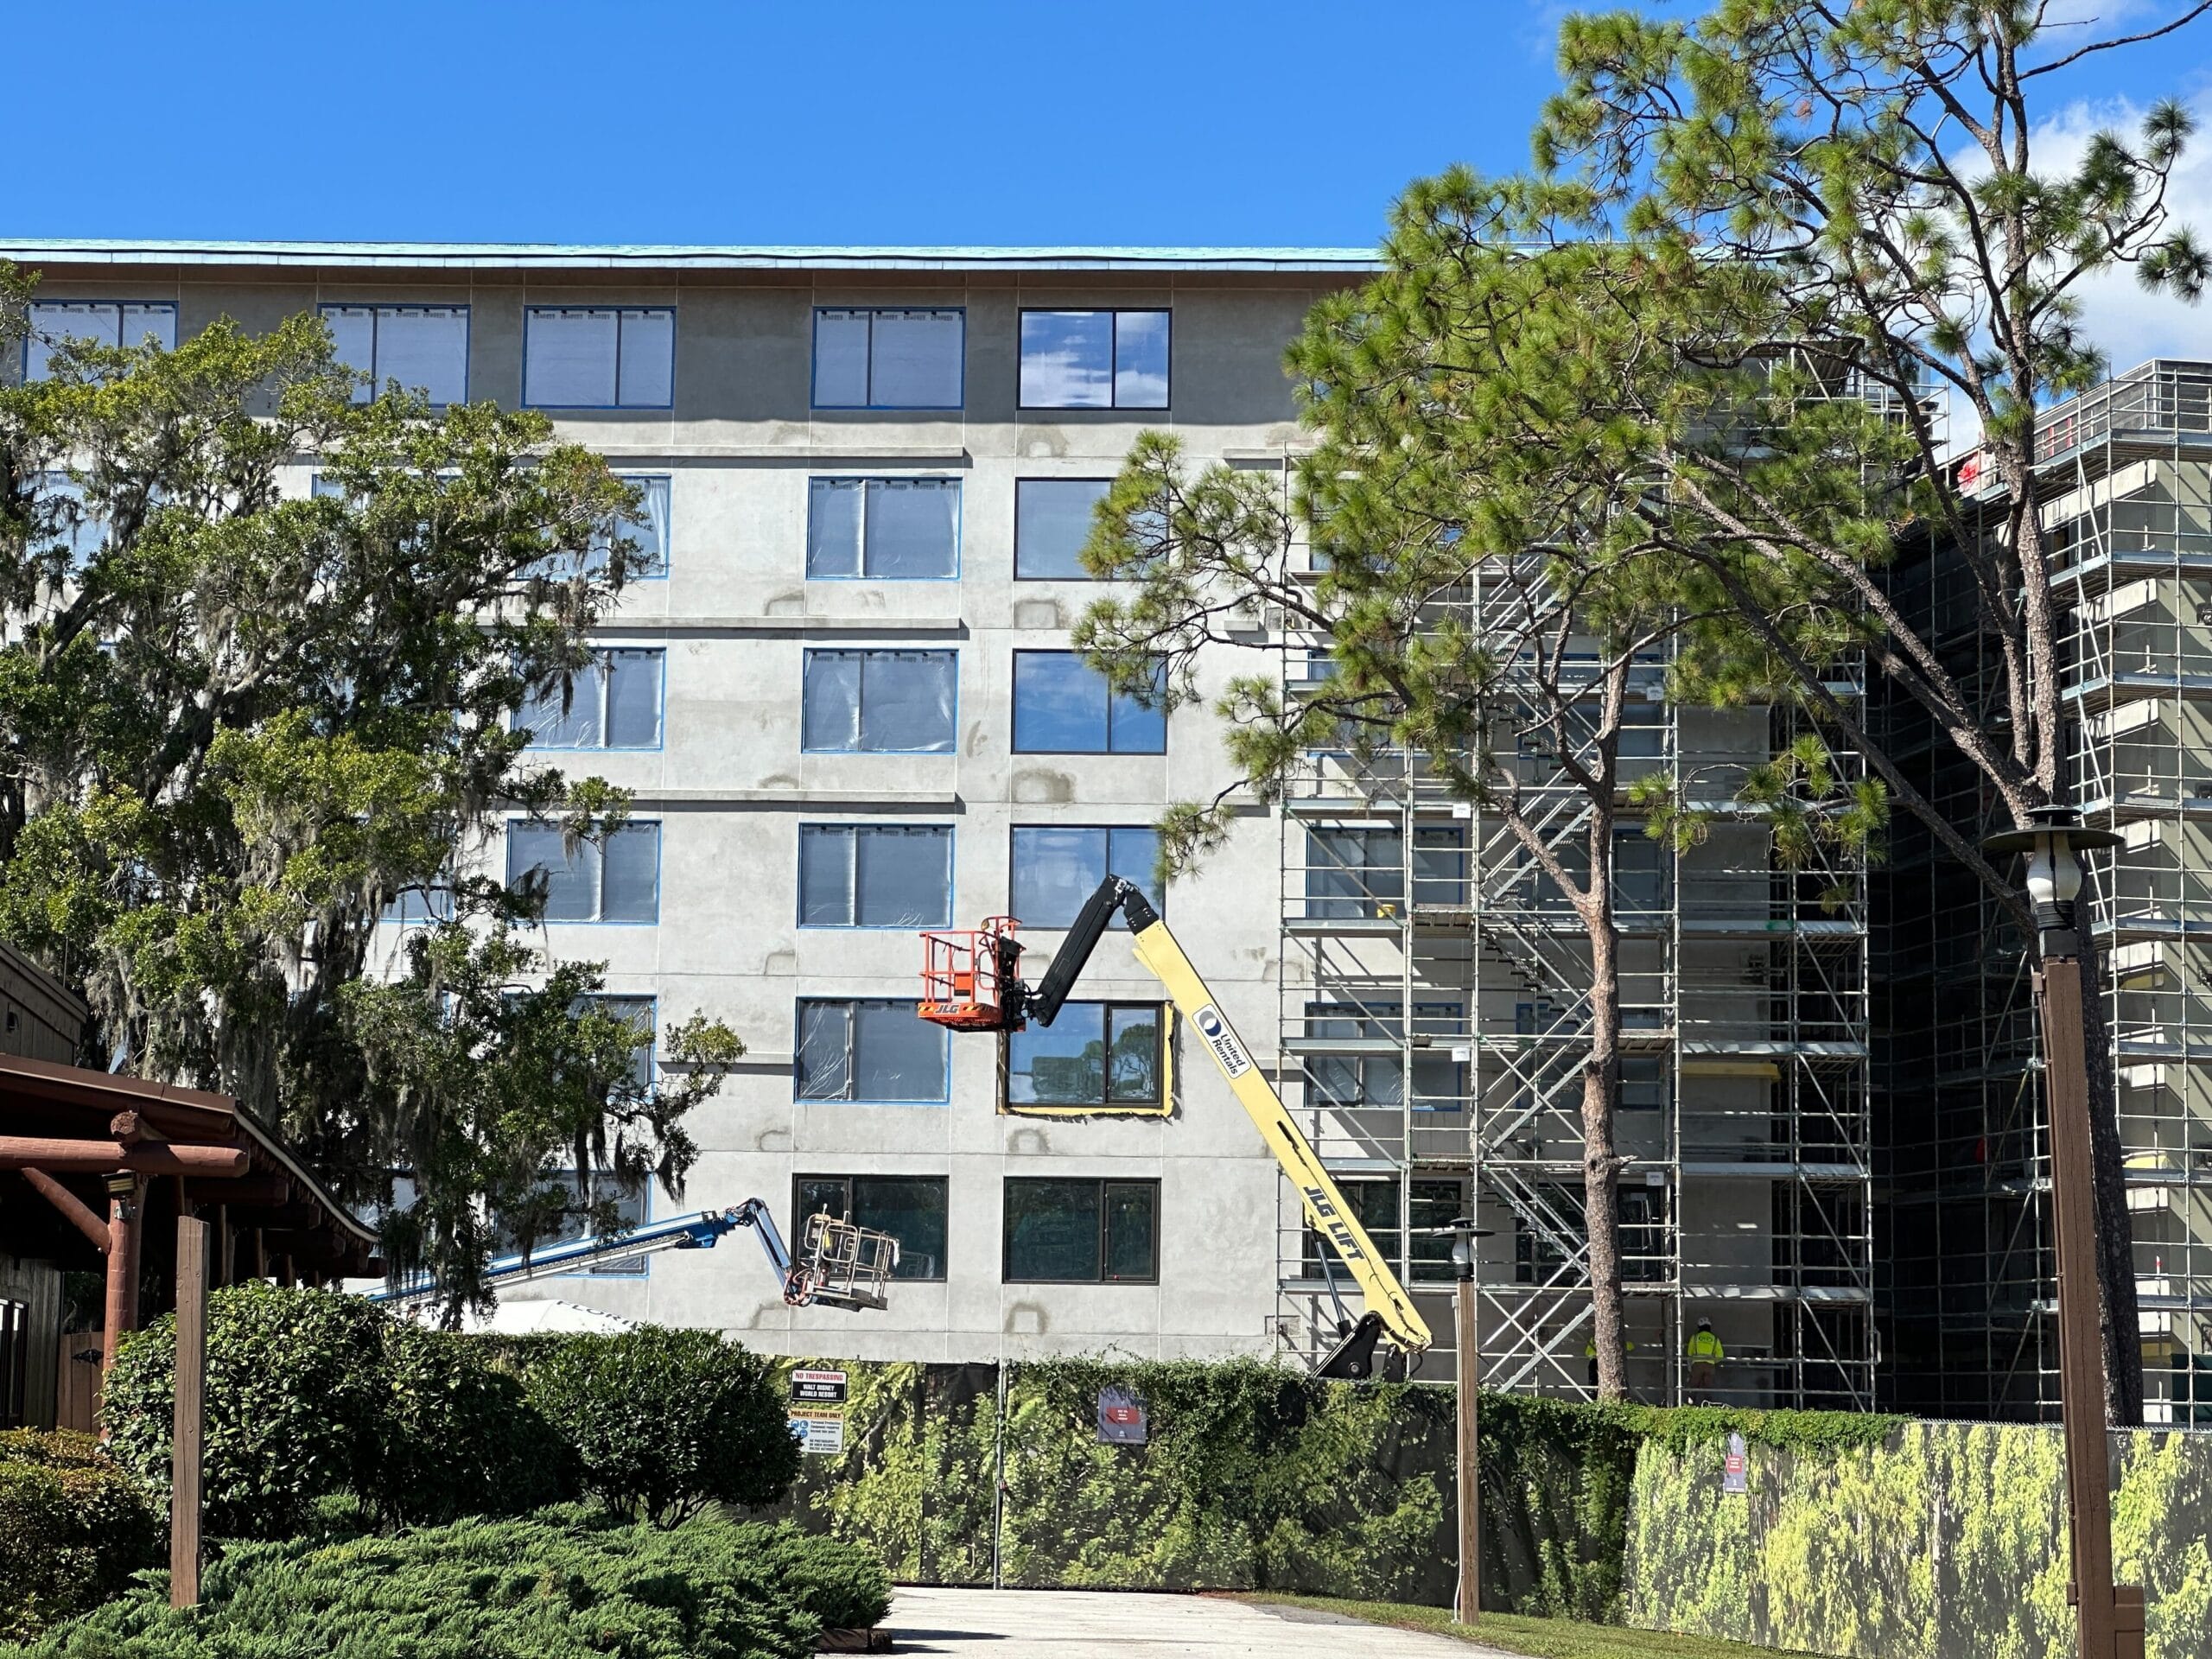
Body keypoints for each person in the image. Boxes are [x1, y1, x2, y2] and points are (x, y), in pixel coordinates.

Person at [1686, 1319, 1724, 1400]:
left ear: (1699, 1327)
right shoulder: (1715, 1339)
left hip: (1697, 1364)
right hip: (1710, 1365)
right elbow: (1720, 1356)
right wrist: (1713, 1361)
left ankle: (1691, 1402)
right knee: (1708, 1386)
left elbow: (1690, 1353)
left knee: (1694, 1384)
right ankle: (1708, 1403)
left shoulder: (1695, 1337)